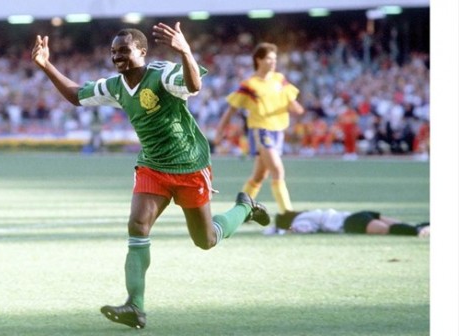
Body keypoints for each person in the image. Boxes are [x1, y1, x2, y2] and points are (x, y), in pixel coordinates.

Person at [31, 22, 270, 329]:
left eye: (124, 50)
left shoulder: (163, 73)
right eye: (114, 52)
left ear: (141, 52)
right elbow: (76, 95)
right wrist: (45, 64)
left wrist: (185, 50)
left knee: (206, 239)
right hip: (153, 167)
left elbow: (193, 85)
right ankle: (135, 306)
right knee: (137, 224)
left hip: (189, 166)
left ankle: (245, 207)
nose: (117, 57)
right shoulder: (116, 86)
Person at [215, 42, 305, 216]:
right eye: (269, 59)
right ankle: (288, 214)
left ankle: (240, 212)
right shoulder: (250, 84)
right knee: (277, 170)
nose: (273, 62)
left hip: (278, 131)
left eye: (275, 59)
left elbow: (292, 104)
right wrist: (220, 131)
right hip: (261, 131)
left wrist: (297, 109)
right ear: (259, 60)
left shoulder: (279, 79)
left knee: (259, 176)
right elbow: (231, 109)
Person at [273, 208, 430, 237]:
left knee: (386, 230)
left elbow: (304, 229)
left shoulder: (300, 220)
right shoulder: (308, 213)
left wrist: (286, 231)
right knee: (398, 224)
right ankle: (424, 226)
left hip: (350, 223)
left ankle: (418, 232)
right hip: (358, 214)